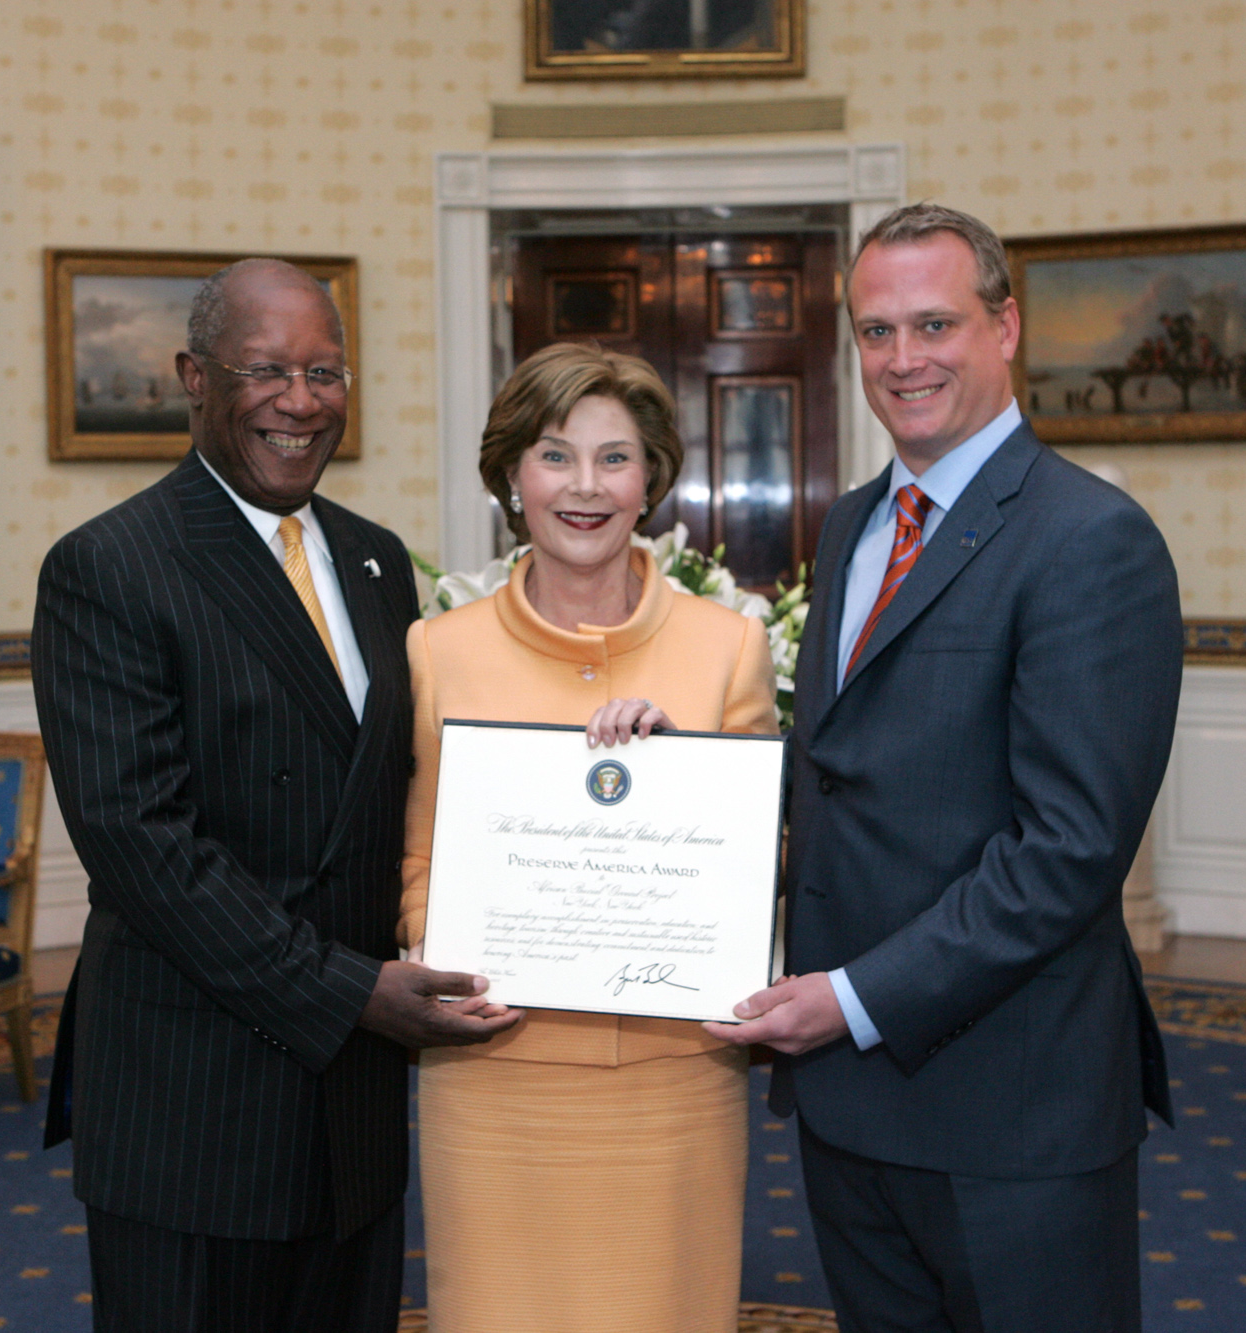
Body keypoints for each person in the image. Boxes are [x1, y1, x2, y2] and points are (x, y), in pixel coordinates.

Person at [708, 203, 1182, 1331]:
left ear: (1004, 326)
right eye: (875, 332)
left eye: (934, 323)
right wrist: (656, 764)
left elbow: (1065, 852)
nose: (903, 359)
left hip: (1009, 1112)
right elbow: (841, 774)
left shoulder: (1088, 540)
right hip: (847, 1105)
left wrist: (849, 1001)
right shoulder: (855, 523)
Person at [33, 258, 519, 1333]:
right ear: (191, 377)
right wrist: (350, 992)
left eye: (324, 370)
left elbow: (411, 787)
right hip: (194, 1102)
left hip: (349, 1111)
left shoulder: (376, 561)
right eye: (264, 369)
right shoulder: (109, 566)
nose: (299, 401)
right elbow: (141, 846)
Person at [399, 342, 778, 1333]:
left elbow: (766, 858)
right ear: (510, 475)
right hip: (492, 1075)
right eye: (554, 454)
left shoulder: (727, 644)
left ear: (650, 476)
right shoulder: (438, 650)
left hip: (672, 1075)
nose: (584, 486)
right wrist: (437, 952)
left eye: (615, 458)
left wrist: (677, 778)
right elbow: (419, 854)